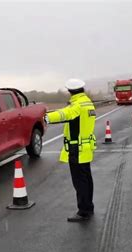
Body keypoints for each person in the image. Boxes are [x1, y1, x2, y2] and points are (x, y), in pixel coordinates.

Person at [45, 79, 97, 222]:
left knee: (79, 181)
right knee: (86, 179)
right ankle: (89, 207)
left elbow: (65, 114)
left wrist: (46, 117)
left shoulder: (77, 105)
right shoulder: (87, 102)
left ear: (70, 91)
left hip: (76, 148)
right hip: (85, 147)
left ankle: (83, 211)